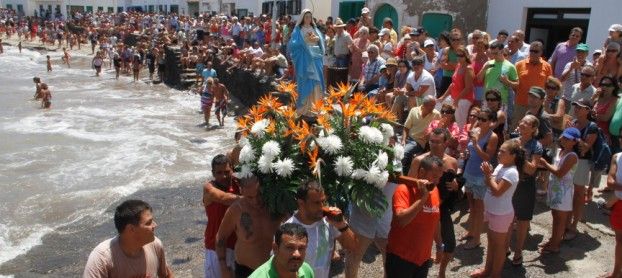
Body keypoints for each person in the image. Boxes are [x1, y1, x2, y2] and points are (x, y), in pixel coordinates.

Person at [408, 128, 459, 278]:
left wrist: (456, 186)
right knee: (418, 245)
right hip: (422, 207)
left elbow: (453, 187)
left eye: (438, 142)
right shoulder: (419, 161)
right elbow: (408, 185)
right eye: (432, 141)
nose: (434, 145)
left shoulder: (452, 162)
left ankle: (441, 272)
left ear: (446, 143)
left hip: (442, 208)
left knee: (449, 244)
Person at [470, 140, 523, 278]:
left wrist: (488, 175)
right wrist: (488, 175)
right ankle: (487, 270)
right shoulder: (501, 166)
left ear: (513, 156)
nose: (498, 153)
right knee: (491, 242)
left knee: (499, 246)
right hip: (492, 210)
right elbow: (488, 184)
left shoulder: (512, 172)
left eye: (502, 152)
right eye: (499, 150)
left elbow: (497, 191)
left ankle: (495, 274)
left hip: (501, 213)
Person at [83, 200, 174, 278]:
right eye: (148, 223)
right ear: (131, 229)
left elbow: (166, 275)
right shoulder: (102, 257)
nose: (155, 225)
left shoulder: (155, 245)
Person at [284, 180, 356, 278]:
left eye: (323, 201)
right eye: (316, 203)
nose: (322, 207)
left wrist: (342, 225)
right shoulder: (288, 230)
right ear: (301, 203)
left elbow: (353, 246)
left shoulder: (329, 220)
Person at [386, 156, 443, 278]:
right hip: (400, 258)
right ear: (422, 172)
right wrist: (422, 198)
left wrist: (439, 245)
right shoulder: (403, 190)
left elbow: (435, 220)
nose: (437, 181)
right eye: (434, 177)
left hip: (423, 259)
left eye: (439, 177)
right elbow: (401, 221)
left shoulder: (435, 190)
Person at [216, 174, 282, 278]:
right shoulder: (236, 210)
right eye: (249, 197)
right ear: (241, 191)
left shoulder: (276, 207)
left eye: (259, 195)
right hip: (246, 271)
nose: (255, 201)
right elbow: (221, 238)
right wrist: (223, 268)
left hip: (274, 270)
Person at [460, 108, 499, 250]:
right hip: (469, 171)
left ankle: (476, 239)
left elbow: (488, 157)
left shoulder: (492, 136)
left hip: (480, 176)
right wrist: (466, 153)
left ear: (491, 122)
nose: (479, 121)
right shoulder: (475, 131)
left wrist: (475, 144)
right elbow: (470, 150)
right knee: (472, 207)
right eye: (479, 118)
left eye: (483, 119)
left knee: (479, 209)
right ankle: (471, 232)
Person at [537, 127, 580, 254]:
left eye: (568, 139)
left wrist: (545, 164)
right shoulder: (560, 151)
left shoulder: (572, 156)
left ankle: (555, 244)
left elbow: (560, 173)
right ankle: (553, 240)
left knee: (560, 219)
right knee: (555, 217)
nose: (564, 140)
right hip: (555, 189)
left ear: (574, 142)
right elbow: (555, 169)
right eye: (564, 137)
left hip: (563, 192)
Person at [508, 115, 542, 266]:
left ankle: (518, 251)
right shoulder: (512, 141)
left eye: (527, 123)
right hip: (510, 183)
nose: (522, 124)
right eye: (521, 121)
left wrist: (519, 153)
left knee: (522, 221)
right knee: (508, 218)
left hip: (526, 186)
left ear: (534, 129)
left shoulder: (536, 146)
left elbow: (531, 170)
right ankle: (505, 246)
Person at [203, 155, 240, 278]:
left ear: (232, 170)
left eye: (227, 172)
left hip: (237, 245)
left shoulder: (237, 183)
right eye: (219, 172)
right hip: (214, 248)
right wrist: (252, 199)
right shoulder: (209, 188)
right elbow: (224, 198)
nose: (223, 176)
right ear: (213, 173)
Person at [566, 99, 599, 240]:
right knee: (569, 192)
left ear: (588, 110)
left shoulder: (592, 127)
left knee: (579, 194)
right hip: (570, 160)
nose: (577, 109)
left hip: (582, 163)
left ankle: (573, 225)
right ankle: (566, 222)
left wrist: (574, 135)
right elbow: (565, 143)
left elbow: (585, 148)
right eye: (576, 106)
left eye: (581, 107)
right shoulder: (572, 122)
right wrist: (567, 131)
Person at [289, 9, 325, 116]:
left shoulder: (315, 29)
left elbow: (321, 43)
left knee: (317, 80)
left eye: (310, 17)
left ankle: (316, 106)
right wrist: (304, 40)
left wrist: (317, 38)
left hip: (315, 58)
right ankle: (305, 107)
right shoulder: (298, 30)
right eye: (306, 17)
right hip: (304, 59)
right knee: (306, 80)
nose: (308, 19)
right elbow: (293, 45)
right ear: (302, 18)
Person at [512, 41, 553, 130]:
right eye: (531, 51)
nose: (533, 53)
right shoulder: (519, 65)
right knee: (516, 127)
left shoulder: (547, 66)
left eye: (536, 51)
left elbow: (549, 85)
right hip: (521, 103)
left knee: (535, 129)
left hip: (538, 106)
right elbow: (514, 84)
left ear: (541, 52)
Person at [249, 223, 315, 278]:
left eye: (301, 248)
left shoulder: (307, 271)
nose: (297, 254)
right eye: (290, 247)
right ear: (275, 248)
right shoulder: (259, 276)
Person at [477, 41, 518, 122]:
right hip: (487, 100)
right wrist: (484, 68)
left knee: (499, 125)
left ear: (502, 51)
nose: (493, 56)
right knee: (484, 123)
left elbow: (517, 84)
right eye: (492, 53)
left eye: (496, 53)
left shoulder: (510, 66)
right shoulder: (488, 63)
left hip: (501, 101)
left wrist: (507, 82)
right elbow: (479, 80)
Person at [401, 95, 441, 174]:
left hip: (419, 141)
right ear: (425, 104)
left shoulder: (436, 114)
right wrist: (403, 140)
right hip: (409, 139)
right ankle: (404, 173)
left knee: (405, 152)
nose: (433, 107)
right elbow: (406, 127)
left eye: (434, 105)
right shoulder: (414, 110)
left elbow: (438, 131)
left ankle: (402, 175)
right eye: (432, 105)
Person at [438, 46, 474, 128]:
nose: (459, 57)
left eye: (461, 56)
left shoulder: (468, 69)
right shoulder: (458, 65)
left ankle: (460, 138)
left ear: (466, 56)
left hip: (464, 99)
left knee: (460, 122)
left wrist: (457, 99)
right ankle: (443, 130)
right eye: (457, 55)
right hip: (454, 97)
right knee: (439, 105)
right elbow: (452, 84)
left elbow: (468, 88)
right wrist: (443, 97)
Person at [604, 143, 622, 278]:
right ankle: (616, 272)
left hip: (617, 199)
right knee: (620, 240)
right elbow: (610, 182)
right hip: (619, 204)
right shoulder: (617, 157)